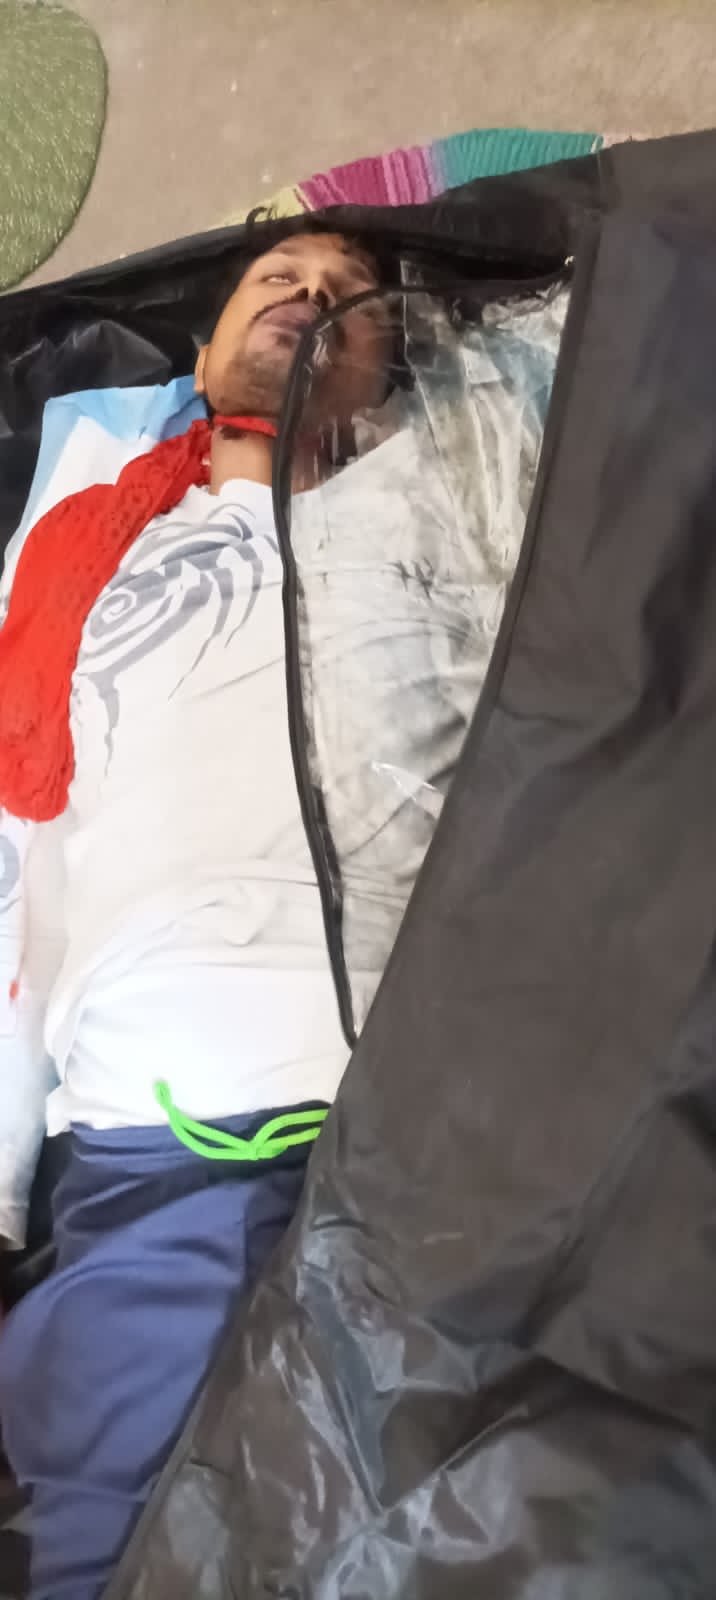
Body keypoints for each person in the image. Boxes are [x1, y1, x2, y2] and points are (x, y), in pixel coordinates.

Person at [0, 227, 395, 1600]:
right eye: (276, 279)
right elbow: (14, 856)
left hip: (436, 1129)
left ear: (389, 368)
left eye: (350, 298)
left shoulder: (438, 519)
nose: (307, 297)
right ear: (207, 346)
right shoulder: (86, 561)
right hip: (153, 1161)